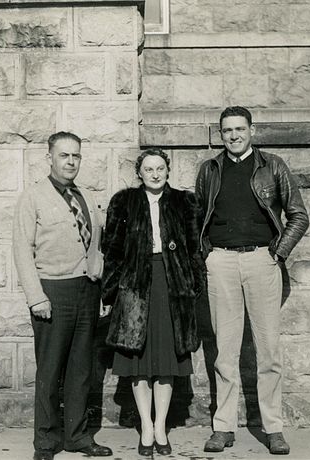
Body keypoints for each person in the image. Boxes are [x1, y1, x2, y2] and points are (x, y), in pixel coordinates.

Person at [195, 106, 309, 455]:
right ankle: (223, 427)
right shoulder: (210, 170)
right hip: (222, 264)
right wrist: (207, 254)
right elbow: (196, 216)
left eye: (240, 129)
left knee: (269, 351)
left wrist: (278, 253)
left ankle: (273, 428)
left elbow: (299, 216)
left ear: (252, 130)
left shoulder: (272, 166)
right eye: (227, 130)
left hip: (262, 259)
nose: (233, 135)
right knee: (224, 352)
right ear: (220, 134)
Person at [13, 132, 113, 460]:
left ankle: (77, 436)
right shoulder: (33, 197)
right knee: (50, 371)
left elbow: (97, 244)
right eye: (64, 156)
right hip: (52, 292)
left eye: (76, 156)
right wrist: (36, 297)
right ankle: (45, 442)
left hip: (86, 291)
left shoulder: (85, 195)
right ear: (50, 158)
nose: (71, 162)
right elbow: (22, 250)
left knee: (81, 371)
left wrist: (99, 285)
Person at [101, 148, 205, 457]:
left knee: (166, 361)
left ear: (168, 171)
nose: (155, 174)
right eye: (149, 169)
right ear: (140, 173)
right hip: (135, 286)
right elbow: (113, 249)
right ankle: (145, 425)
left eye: (160, 168)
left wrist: (194, 284)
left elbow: (194, 247)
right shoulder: (124, 202)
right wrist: (110, 292)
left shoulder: (184, 202)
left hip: (171, 285)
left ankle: (161, 426)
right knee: (140, 363)